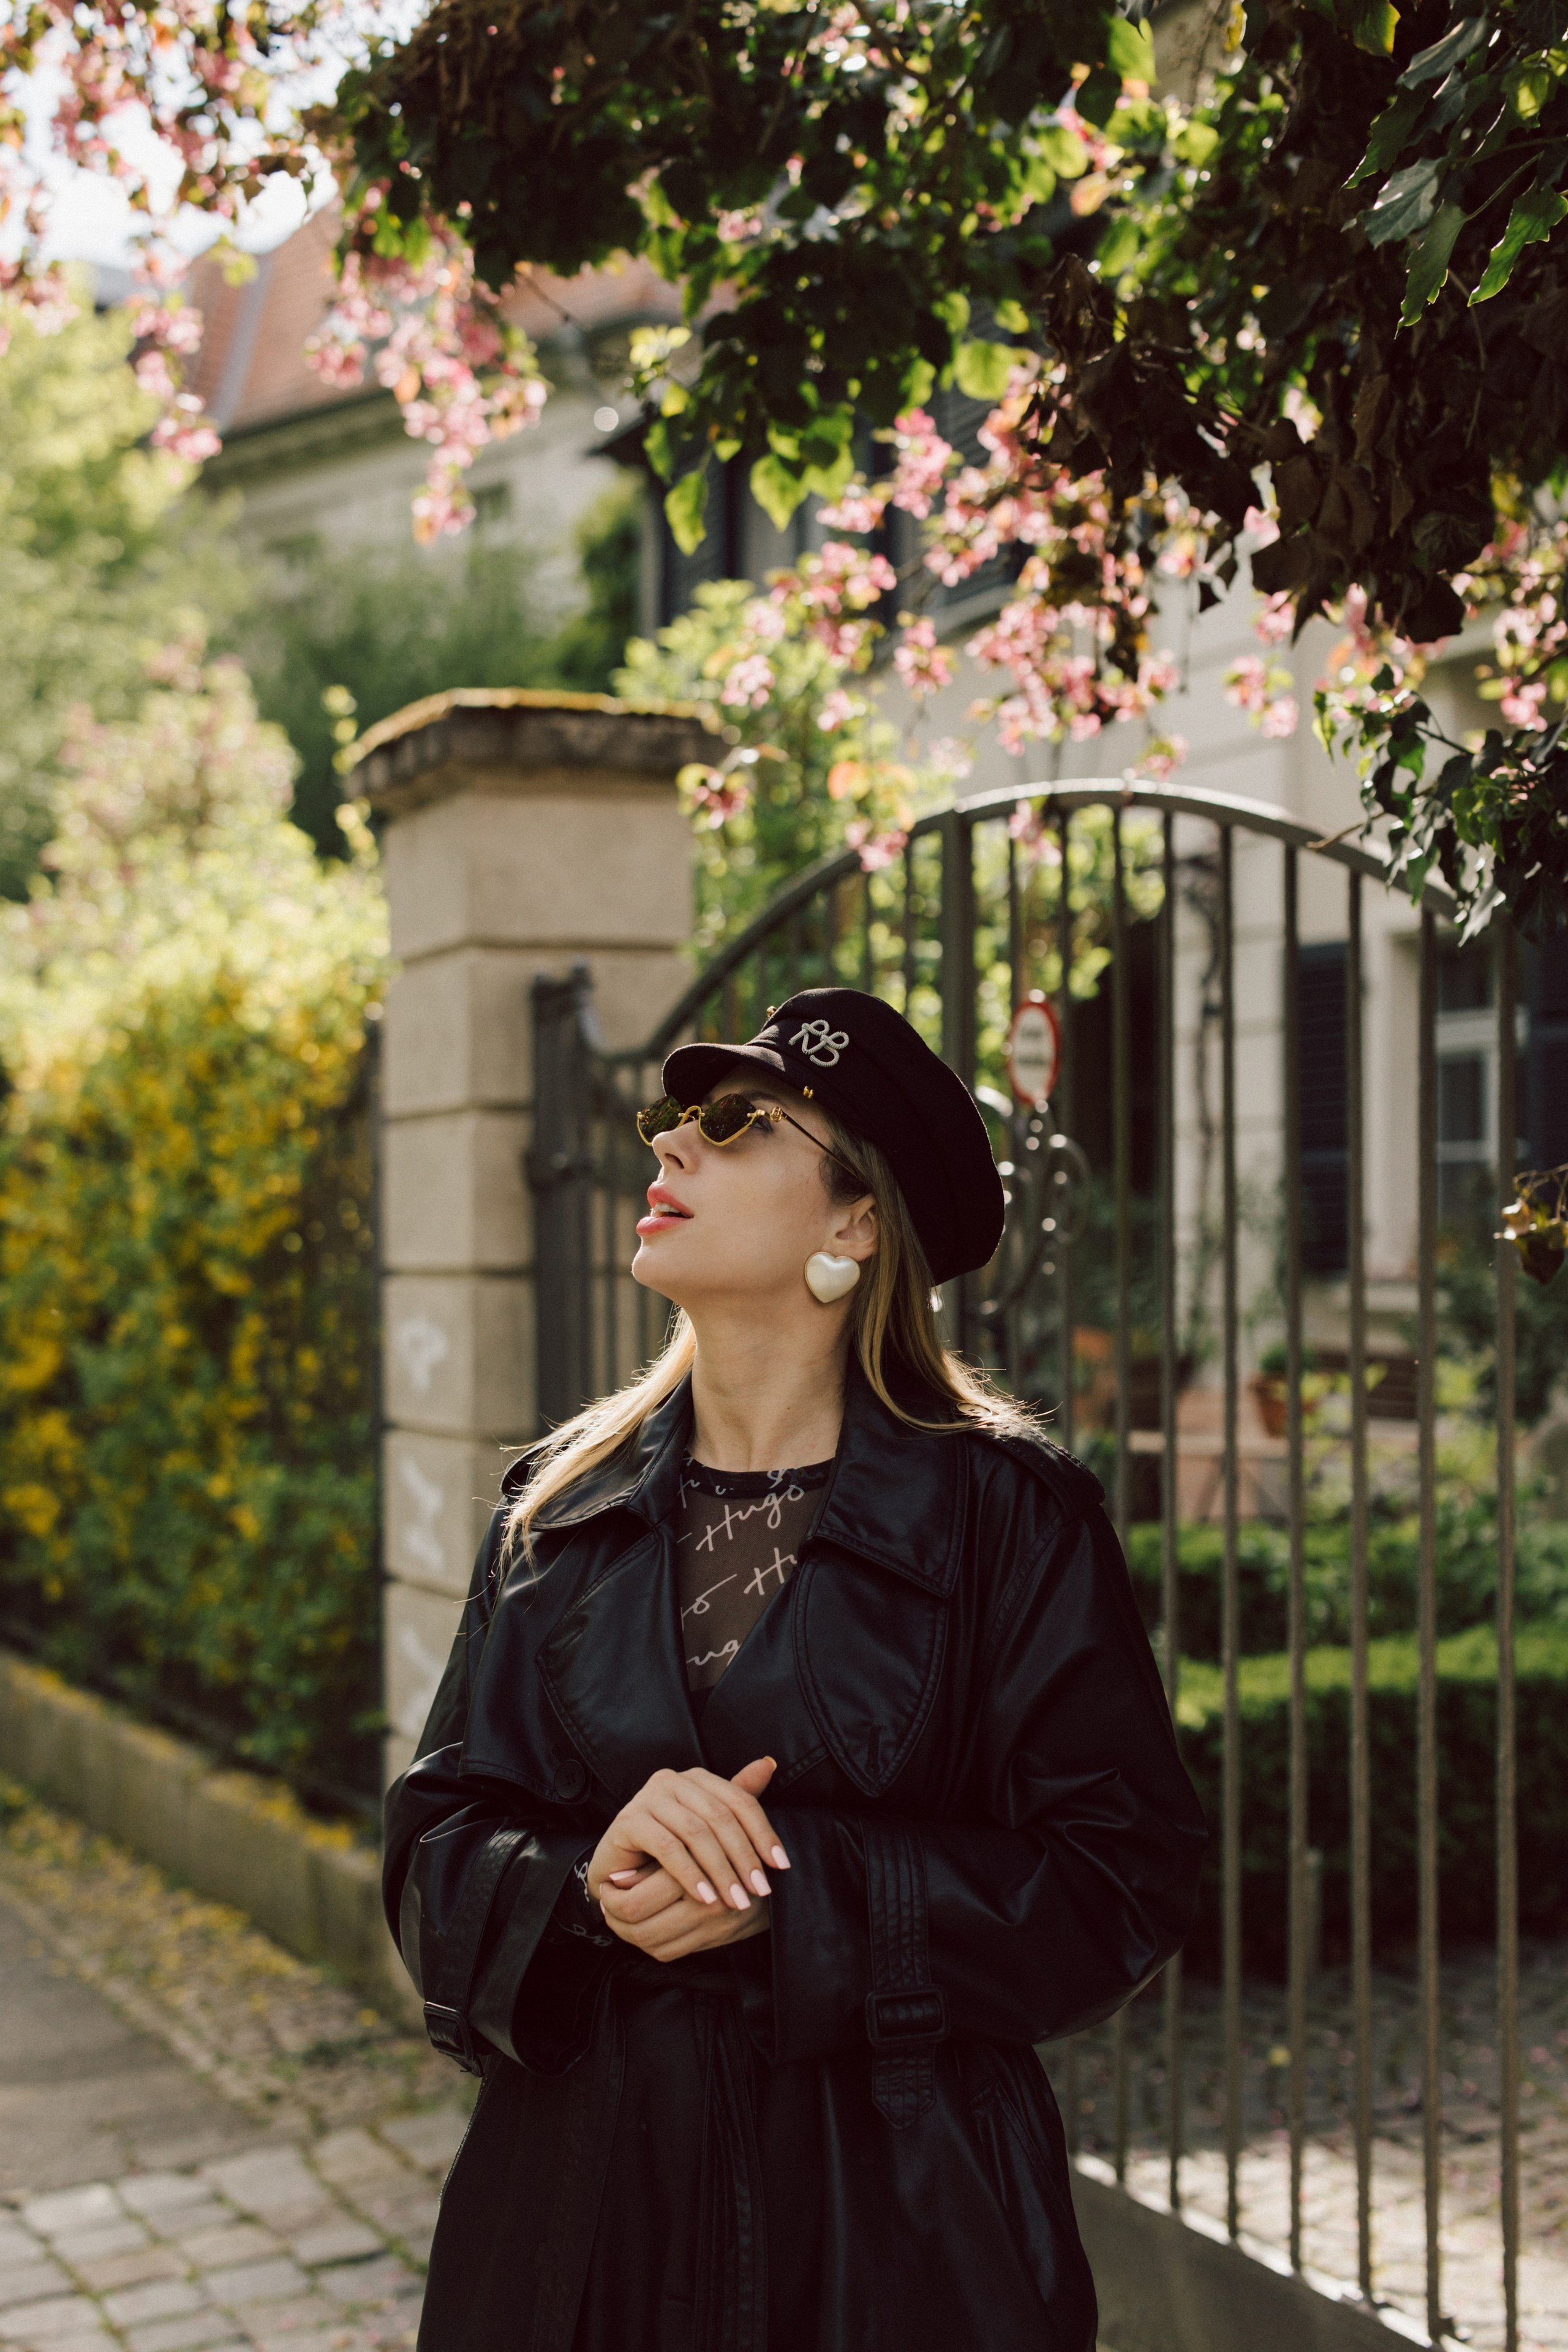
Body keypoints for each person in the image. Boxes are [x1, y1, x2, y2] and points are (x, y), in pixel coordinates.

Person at [384, 985, 1207, 2352]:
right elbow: (434, 1842)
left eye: (734, 1124)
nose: (670, 1151)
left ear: (856, 1220)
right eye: (669, 1122)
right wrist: (588, 1887)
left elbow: (1121, 1878)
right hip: (582, 2226)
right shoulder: (559, 1502)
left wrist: (798, 1892)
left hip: (896, 2230)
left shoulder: (1007, 1515)